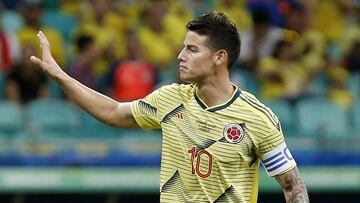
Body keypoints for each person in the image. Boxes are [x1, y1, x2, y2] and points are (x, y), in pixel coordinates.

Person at [30, 12, 309, 203]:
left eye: (192, 49)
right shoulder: (170, 99)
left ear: (219, 57)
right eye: (183, 47)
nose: (180, 56)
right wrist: (60, 76)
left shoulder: (257, 117)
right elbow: (114, 113)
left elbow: (292, 186)